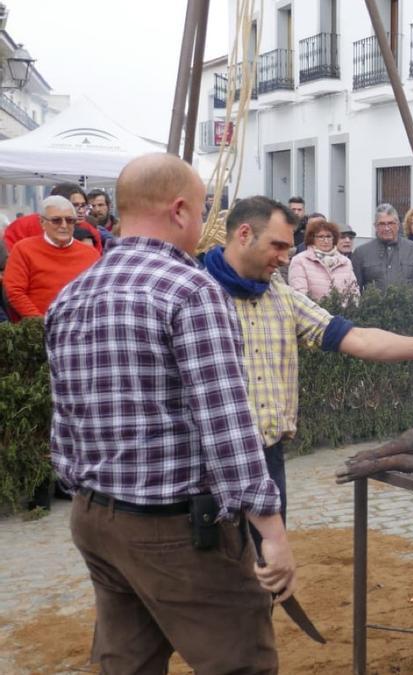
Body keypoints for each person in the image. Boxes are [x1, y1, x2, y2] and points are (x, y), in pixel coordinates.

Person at [45, 153, 294, 673]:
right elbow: (226, 423)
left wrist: (85, 494)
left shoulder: (71, 295)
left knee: (127, 663)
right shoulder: (191, 291)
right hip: (174, 528)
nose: (205, 226)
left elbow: (64, 420)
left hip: (93, 518)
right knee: (242, 662)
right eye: (204, 212)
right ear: (180, 211)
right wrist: (269, 529)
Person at [204, 196, 413, 527]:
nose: (285, 257)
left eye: (288, 247)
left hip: (269, 460)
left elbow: (358, 339)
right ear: (244, 234)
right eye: (277, 246)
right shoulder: (197, 293)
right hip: (210, 466)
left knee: (267, 568)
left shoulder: (281, 296)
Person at [2, 196, 100, 320]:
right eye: (56, 220)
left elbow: (97, 293)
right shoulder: (23, 249)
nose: (64, 225)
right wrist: (40, 323)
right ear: (42, 222)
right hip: (37, 331)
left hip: (79, 329)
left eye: (70, 220)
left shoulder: (91, 254)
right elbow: (14, 291)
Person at [351, 203, 413, 292]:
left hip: (409, 306)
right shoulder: (361, 253)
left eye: (390, 223)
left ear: (398, 225)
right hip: (374, 306)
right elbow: (355, 291)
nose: (387, 228)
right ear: (375, 226)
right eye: (382, 224)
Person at [5, 183, 105, 254]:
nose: (81, 210)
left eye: (83, 205)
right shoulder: (23, 225)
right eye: (75, 205)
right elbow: (7, 255)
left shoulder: (90, 231)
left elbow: (96, 260)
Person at [288, 218, 359, 302]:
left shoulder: (345, 262)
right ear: (312, 238)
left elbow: (354, 293)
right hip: (312, 313)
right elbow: (299, 295)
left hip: (343, 313)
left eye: (329, 236)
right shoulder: (300, 260)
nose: (326, 240)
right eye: (321, 236)